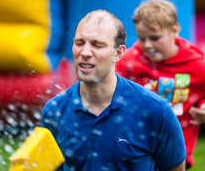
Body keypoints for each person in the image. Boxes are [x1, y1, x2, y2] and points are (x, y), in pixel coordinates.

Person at [42, 9, 186, 171]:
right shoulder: (55, 110)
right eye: (79, 43)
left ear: (118, 53)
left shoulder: (156, 110)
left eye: (97, 45)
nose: (85, 52)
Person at [115, 0, 205, 170]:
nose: (147, 45)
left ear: (174, 31)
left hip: (177, 148)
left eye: (155, 38)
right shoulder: (131, 60)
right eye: (142, 38)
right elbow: (111, 86)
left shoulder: (196, 65)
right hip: (136, 143)